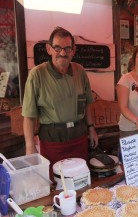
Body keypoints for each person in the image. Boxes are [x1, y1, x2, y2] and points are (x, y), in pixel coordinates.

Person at [22, 27, 98, 176]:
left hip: (79, 136)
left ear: (73, 50)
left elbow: (86, 103)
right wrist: (30, 146)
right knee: (56, 183)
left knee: (79, 179)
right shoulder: (37, 74)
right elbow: (29, 115)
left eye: (67, 48)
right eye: (58, 48)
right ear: (49, 49)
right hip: (52, 140)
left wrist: (91, 128)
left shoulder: (80, 71)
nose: (63, 53)